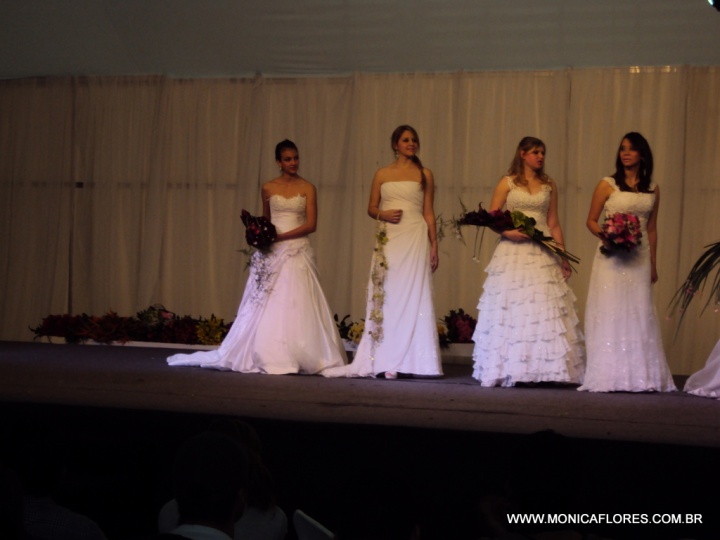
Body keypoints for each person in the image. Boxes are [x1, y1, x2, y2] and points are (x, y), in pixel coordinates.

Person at [167, 139, 346, 375]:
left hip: (296, 249)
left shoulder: (308, 187)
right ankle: (269, 352)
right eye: (288, 159)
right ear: (278, 162)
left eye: (295, 158)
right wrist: (260, 236)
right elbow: (266, 221)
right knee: (268, 301)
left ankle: (301, 353)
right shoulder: (268, 187)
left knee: (297, 300)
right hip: (271, 251)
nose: (293, 162)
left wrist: (280, 237)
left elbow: (311, 225)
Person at [323, 125, 442, 379]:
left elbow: (429, 212)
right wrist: (383, 214)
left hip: (414, 236)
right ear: (395, 144)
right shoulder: (382, 174)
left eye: (414, 140)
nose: (411, 143)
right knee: (389, 294)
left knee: (413, 295)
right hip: (390, 238)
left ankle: (410, 360)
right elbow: (371, 207)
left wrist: (434, 244)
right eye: (406, 140)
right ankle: (386, 358)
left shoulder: (425, 174)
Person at [471, 136, 584, 387]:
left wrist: (563, 256)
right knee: (515, 306)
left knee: (543, 307)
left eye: (542, 152)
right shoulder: (507, 182)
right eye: (535, 152)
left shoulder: (549, 184)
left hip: (542, 250)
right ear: (522, 154)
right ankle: (514, 367)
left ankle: (543, 369)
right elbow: (492, 217)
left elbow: (553, 222)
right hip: (513, 252)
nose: (540, 157)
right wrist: (508, 232)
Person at [579, 132, 676, 392]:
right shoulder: (607, 184)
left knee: (639, 311)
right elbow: (591, 220)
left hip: (639, 256)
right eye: (623, 148)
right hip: (611, 257)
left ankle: (639, 375)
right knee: (611, 309)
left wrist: (653, 263)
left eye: (631, 149)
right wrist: (608, 236)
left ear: (642, 154)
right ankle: (609, 374)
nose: (626, 153)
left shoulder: (652, 188)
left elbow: (651, 228)